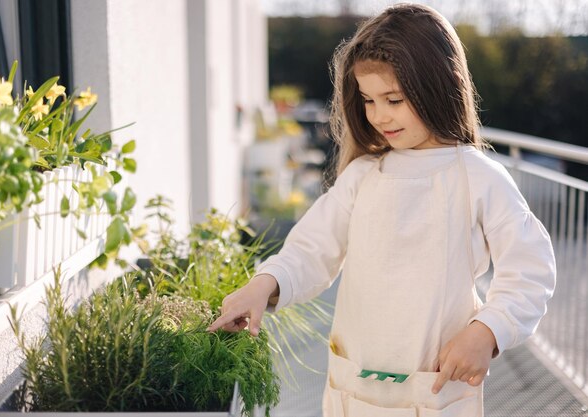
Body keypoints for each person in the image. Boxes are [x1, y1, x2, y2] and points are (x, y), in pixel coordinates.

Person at [208, 4, 556, 416]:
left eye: (394, 99)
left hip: (437, 392)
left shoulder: (478, 177)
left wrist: (487, 331)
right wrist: (262, 285)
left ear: (437, 87)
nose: (379, 116)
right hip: (352, 391)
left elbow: (530, 270)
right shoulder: (362, 176)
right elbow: (311, 250)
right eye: (369, 100)